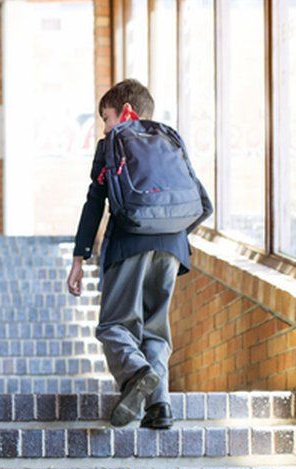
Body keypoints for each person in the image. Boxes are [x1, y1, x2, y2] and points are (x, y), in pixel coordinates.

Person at [67, 79, 213, 430]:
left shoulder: (112, 144)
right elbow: (195, 199)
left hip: (129, 241)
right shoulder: (168, 139)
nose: (105, 126)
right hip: (172, 246)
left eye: (106, 117)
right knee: (155, 330)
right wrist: (172, 239)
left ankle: (137, 372)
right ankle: (159, 405)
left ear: (125, 112)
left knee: (115, 325)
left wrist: (79, 257)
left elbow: (95, 202)